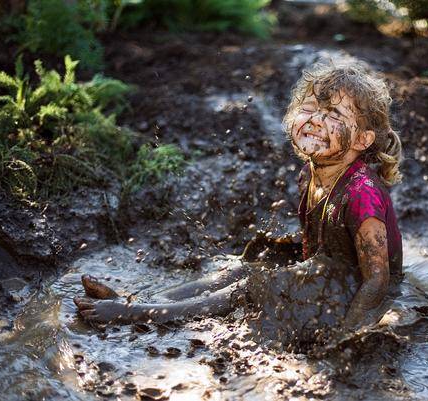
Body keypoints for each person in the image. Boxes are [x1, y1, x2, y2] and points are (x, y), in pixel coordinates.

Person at [74, 61, 403, 334]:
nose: (316, 120)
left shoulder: (362, 193)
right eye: (310, 108)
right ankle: (134, 302)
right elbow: (312, 249)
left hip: (355, 292)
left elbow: (376, 281)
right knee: (240, 272)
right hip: (327, 275)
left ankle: (133, 315)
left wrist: (347, 335)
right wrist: (295, 277)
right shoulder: (310, 174)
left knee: (249, 289)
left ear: (362, 139)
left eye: (333, 115)